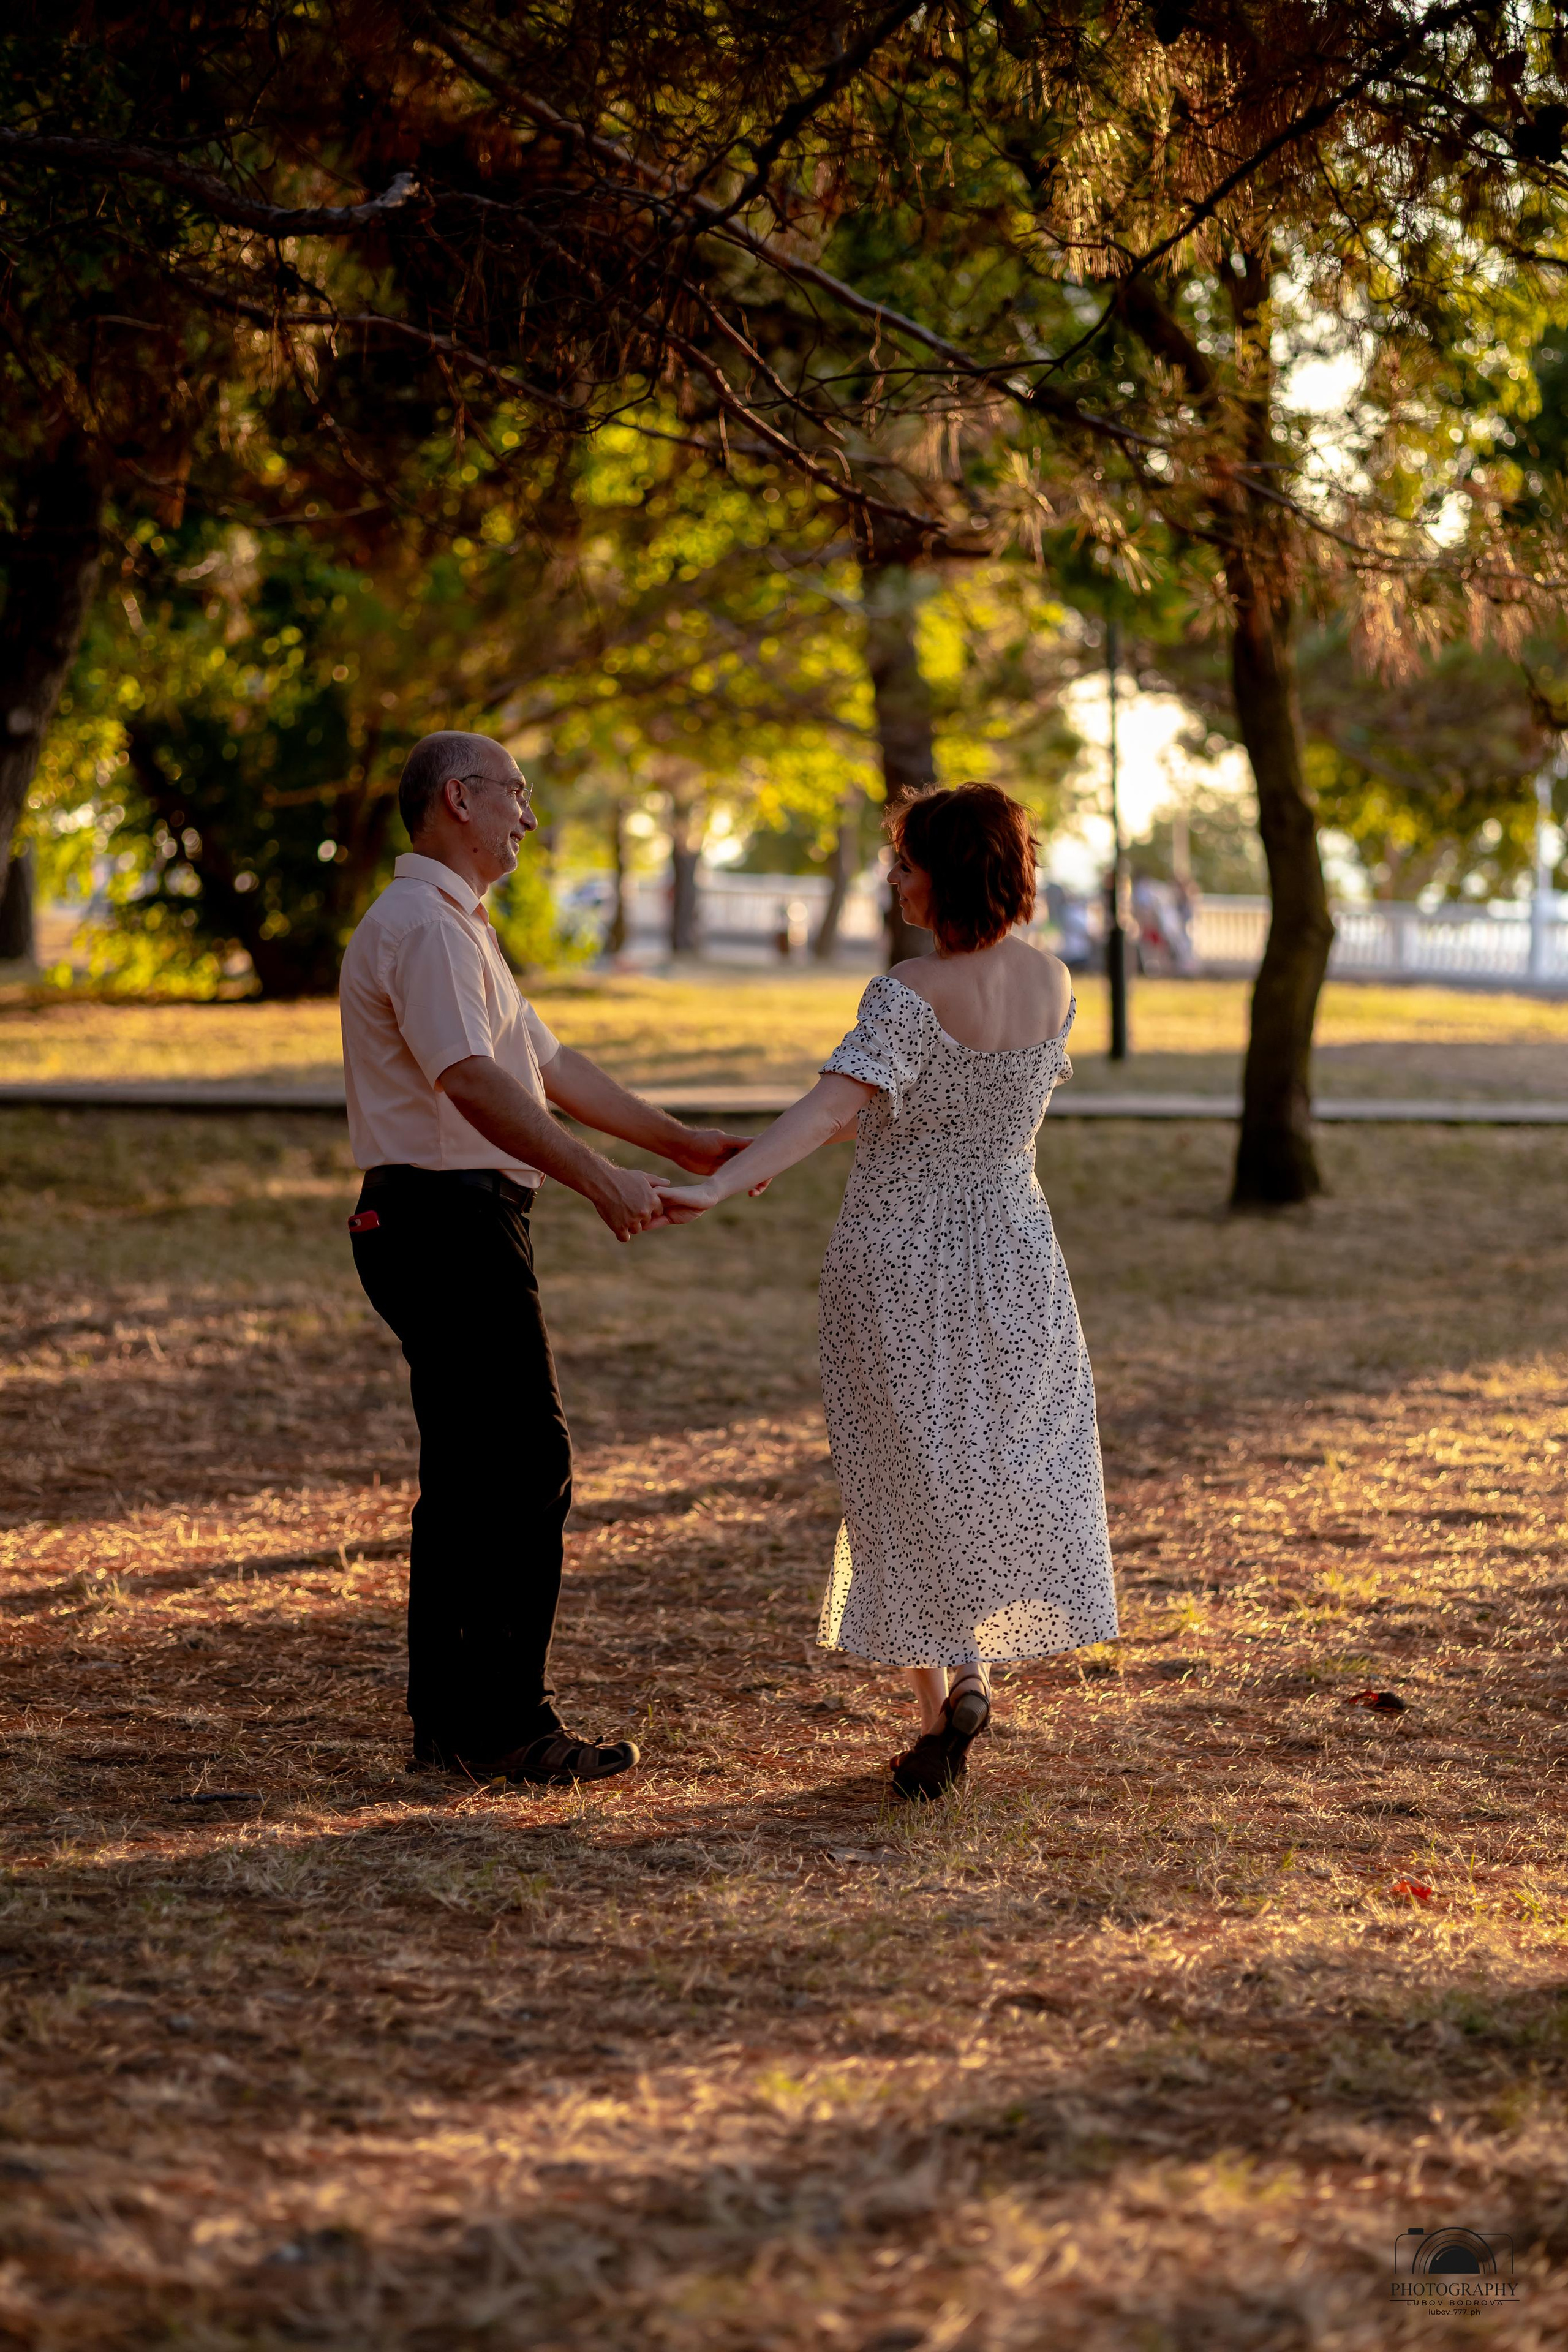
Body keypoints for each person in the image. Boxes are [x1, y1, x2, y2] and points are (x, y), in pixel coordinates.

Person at [656, 782, 1118, 1801]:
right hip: (1013, 1250)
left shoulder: (908, 993)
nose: (892, 878)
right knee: (986, 1459)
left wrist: (723, 1182)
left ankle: (944, 1700)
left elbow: (829, 1112)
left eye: (905, 862)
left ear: (947, 872)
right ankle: (967, 1680)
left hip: (900, 1256)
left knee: (901, 1470)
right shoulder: (1053, 983)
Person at [339, 731, 747, 1786]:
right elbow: (472, 1082)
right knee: (522, 1465)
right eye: (516, 796)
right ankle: (507, 1727)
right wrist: (598, 1179)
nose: (528, 817)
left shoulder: (455, 928)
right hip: (444, 1221)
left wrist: (677, 1142)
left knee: (476, 1473)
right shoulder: (425, 930)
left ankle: (456, 1731)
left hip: (452, 1221)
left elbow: (548, 1064)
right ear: (458, 798)